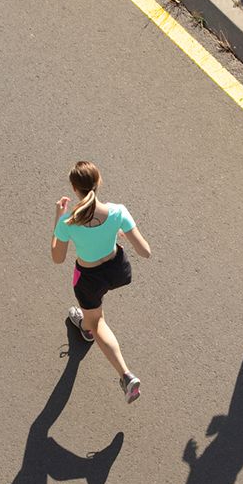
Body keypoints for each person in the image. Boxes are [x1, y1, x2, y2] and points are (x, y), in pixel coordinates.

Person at [51, 161, 152, 402]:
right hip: (118, 272)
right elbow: (145, 251)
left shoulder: (69, 222)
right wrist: (116, 231)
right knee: (91, 317)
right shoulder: (118, 212)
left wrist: (58, 219)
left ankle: (126, 375)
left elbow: (58, 258)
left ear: (75, 190)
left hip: (89, 279)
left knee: (98, 322)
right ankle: (84, 327)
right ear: (99, 183)